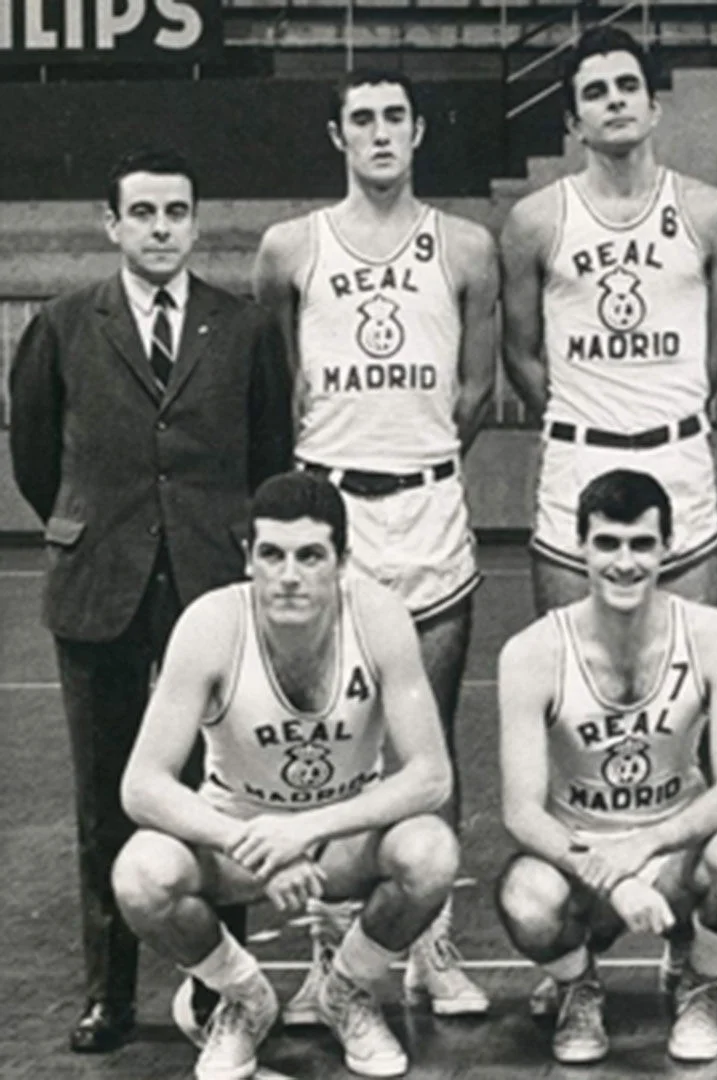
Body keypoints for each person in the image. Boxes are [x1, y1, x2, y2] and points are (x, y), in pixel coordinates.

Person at [8, 147, 294, 1054]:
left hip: (213, 586)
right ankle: (108, 992)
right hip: (100, 587)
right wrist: (94, 528)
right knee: (106, 798)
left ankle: (224, 993)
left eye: (177, 212)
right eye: (144, 214)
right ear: (112, 225)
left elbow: (271, 455)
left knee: (224, 793)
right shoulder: (61, 324)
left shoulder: (243, 327)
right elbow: (36, 457)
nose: (162, 228)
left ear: (196, 223)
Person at [252, 69, 497, 1019]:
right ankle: (328, 956)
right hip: (331, 522)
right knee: (331, 746)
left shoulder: (466, 246)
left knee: (425, 738)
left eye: (396, 116)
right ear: (337, 134)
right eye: (364, 118)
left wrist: (415, 460)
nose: (381, 132)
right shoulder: (290, 248)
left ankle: (431, 945)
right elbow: (281, 387)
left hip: (430, 511)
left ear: (420, 131)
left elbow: (475, 392)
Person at [109, 471, 461, 1080]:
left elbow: (431, 777)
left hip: (342, 836)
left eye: (309, 556)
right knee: (141, 876)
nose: (289, 574)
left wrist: (304, 832)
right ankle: (243, 998)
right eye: (271, 554)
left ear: (342, 562)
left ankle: (346, 990)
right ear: (249, 558)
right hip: (239, 835)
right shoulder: (211, 624)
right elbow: (142, 785)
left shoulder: (378, 618)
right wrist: (260, 843)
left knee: (431, 853)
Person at [494, 470, 717, 1064]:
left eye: (641, 544)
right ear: (580, 547)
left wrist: (646, 847)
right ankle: (578, 987)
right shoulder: (531, 652)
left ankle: (700, 980)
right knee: (525, 897)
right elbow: (520, 812)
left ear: (667, 547)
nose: (625, 563)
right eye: (608, 544)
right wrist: (612, 876)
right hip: (583, 861)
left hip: (674, 854)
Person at [501, 26, 717, 612]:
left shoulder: (710, 213)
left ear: (654, 107)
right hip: (578, 455)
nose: (615, 99)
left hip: (677, 454)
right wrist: (582, 413)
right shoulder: (535, 220)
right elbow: (521, 355)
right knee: (574, 669)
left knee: (689, 668)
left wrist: (665, 406)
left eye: (628, 86)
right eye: (597, 91)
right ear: (573, 123)